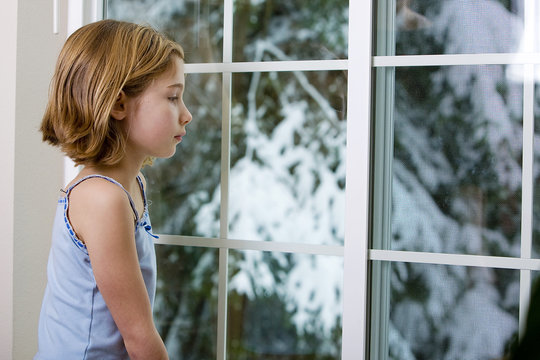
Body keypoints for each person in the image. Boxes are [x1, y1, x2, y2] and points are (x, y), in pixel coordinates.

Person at [34, 19, 192, 360]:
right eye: (173, 97)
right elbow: (139, 338)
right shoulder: (102, 198)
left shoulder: (131, 185)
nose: (187, 115)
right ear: (119, 105)